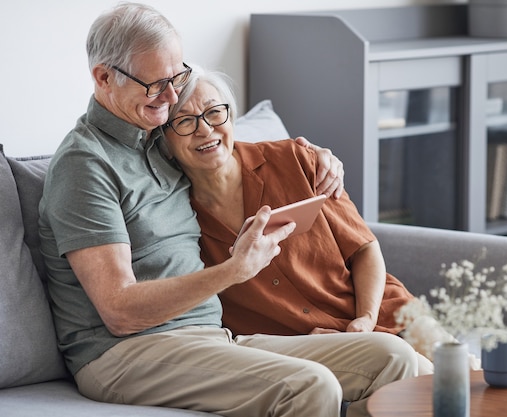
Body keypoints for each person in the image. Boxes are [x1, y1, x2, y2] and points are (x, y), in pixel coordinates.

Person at [38, 3, 419, 417]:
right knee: (309, 385)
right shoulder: (85, 165)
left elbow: (222, 150)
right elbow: (119, 311)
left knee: (390, 355)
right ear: (103, 77)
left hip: (209, 337)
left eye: (176, 77)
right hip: (124, 353)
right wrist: (232, 271)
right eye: (155, 84)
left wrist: (316, 158)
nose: (170, 97)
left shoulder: (156, 142)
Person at [161, 65, 437, 374]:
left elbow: (364, 249)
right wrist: (315, 340)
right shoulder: (172, 222)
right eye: (185, 121)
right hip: (309, 348)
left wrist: (365, 321)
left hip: (384, 312)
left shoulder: (296, 159)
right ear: (164, 140)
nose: (205, 130)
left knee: (463, 371)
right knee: (424, 381)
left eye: (214, 112)